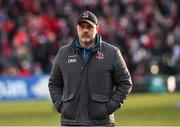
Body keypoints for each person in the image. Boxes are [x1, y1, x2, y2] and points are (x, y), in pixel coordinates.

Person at [48, 11, 133, 126]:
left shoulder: (112, 53)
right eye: (82, 27)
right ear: (77, 28)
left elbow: (125, 82)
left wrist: (108, 107)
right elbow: (54, 83)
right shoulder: (63, 53)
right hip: (71, 123)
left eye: (89, 27)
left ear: (97, 28)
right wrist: (60, 105)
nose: (85, 30)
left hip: (101, 123)